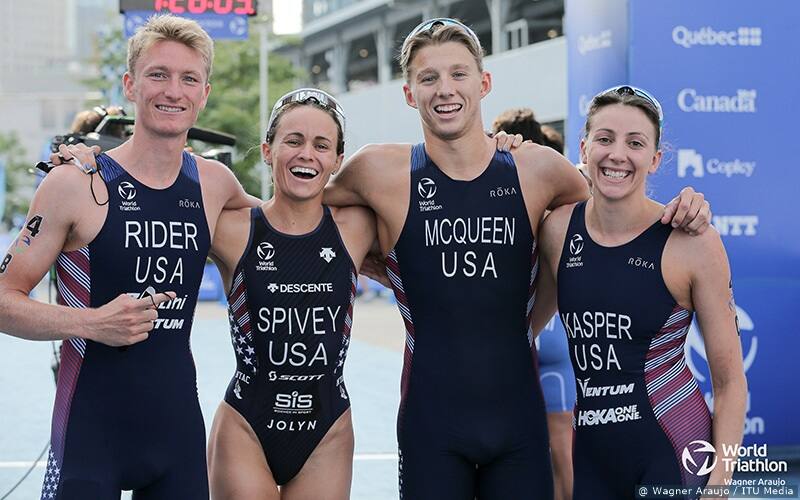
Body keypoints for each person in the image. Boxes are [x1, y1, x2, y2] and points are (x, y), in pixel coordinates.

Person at [323, 18, 712, 499]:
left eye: (459, 74)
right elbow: (303, 213)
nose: (445, 89)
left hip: (518, 426)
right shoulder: (376, 169)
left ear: (484, 83)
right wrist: (382, 266)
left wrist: (685, 206)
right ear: (409, 93)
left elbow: (614, 210)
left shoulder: (537, 168)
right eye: (428, 77)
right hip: (430, 424)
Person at [0, 15, 258, 499]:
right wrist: (92, 323)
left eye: (189, 79)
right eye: (158, 74)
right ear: (130, 85)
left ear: (204, 93)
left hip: (176, 433)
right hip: (90, 433)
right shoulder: (75, 183)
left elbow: (293, 226)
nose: (173, 91)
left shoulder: (215, 184)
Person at [534, 85, 746, 499]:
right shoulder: (557, 230)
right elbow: (520, 326)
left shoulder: (692, 242)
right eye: (605, 138)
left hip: (672, 451)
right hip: (592, 458)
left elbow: (729, 381)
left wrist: (720, 485)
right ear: (584, 148)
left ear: (655, 159)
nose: (617, 154)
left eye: (635, 143)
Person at [206, 88, 375, 499]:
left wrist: (503, 149)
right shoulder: (232, 229)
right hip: (247, 425)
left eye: (321, 145)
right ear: (268, 150)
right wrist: (89, 161)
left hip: (327, 432)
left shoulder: (357, 227)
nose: (306, 154)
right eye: (293, 141)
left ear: (338, 160)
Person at [492, 107, 575, 500]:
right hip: (551, 335)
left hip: (519, 336)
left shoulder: (502, 192)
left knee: (508, 451)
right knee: (561, 451)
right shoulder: (556, 194)